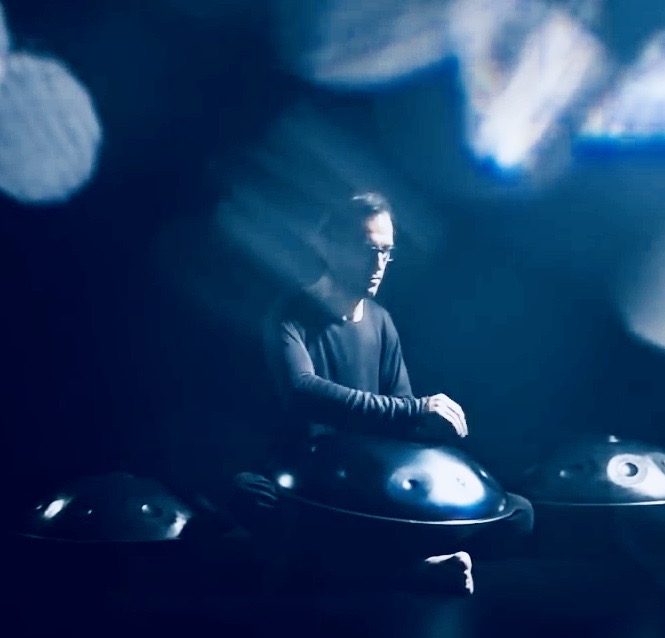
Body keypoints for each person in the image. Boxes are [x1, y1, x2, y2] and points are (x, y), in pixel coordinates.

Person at [226, 192, 527, 595]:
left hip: (368, 484)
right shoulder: (290, 314)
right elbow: (303, 390)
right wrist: (416, 409)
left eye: (386, 252)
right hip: (312, 481)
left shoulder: (381, 322)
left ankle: (390, 566)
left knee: (517, 512)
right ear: (329, 246)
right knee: (250, 496)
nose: (378, 264)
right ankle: (411, 570)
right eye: (368, 250)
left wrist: (431, 426)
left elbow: (400, 417)